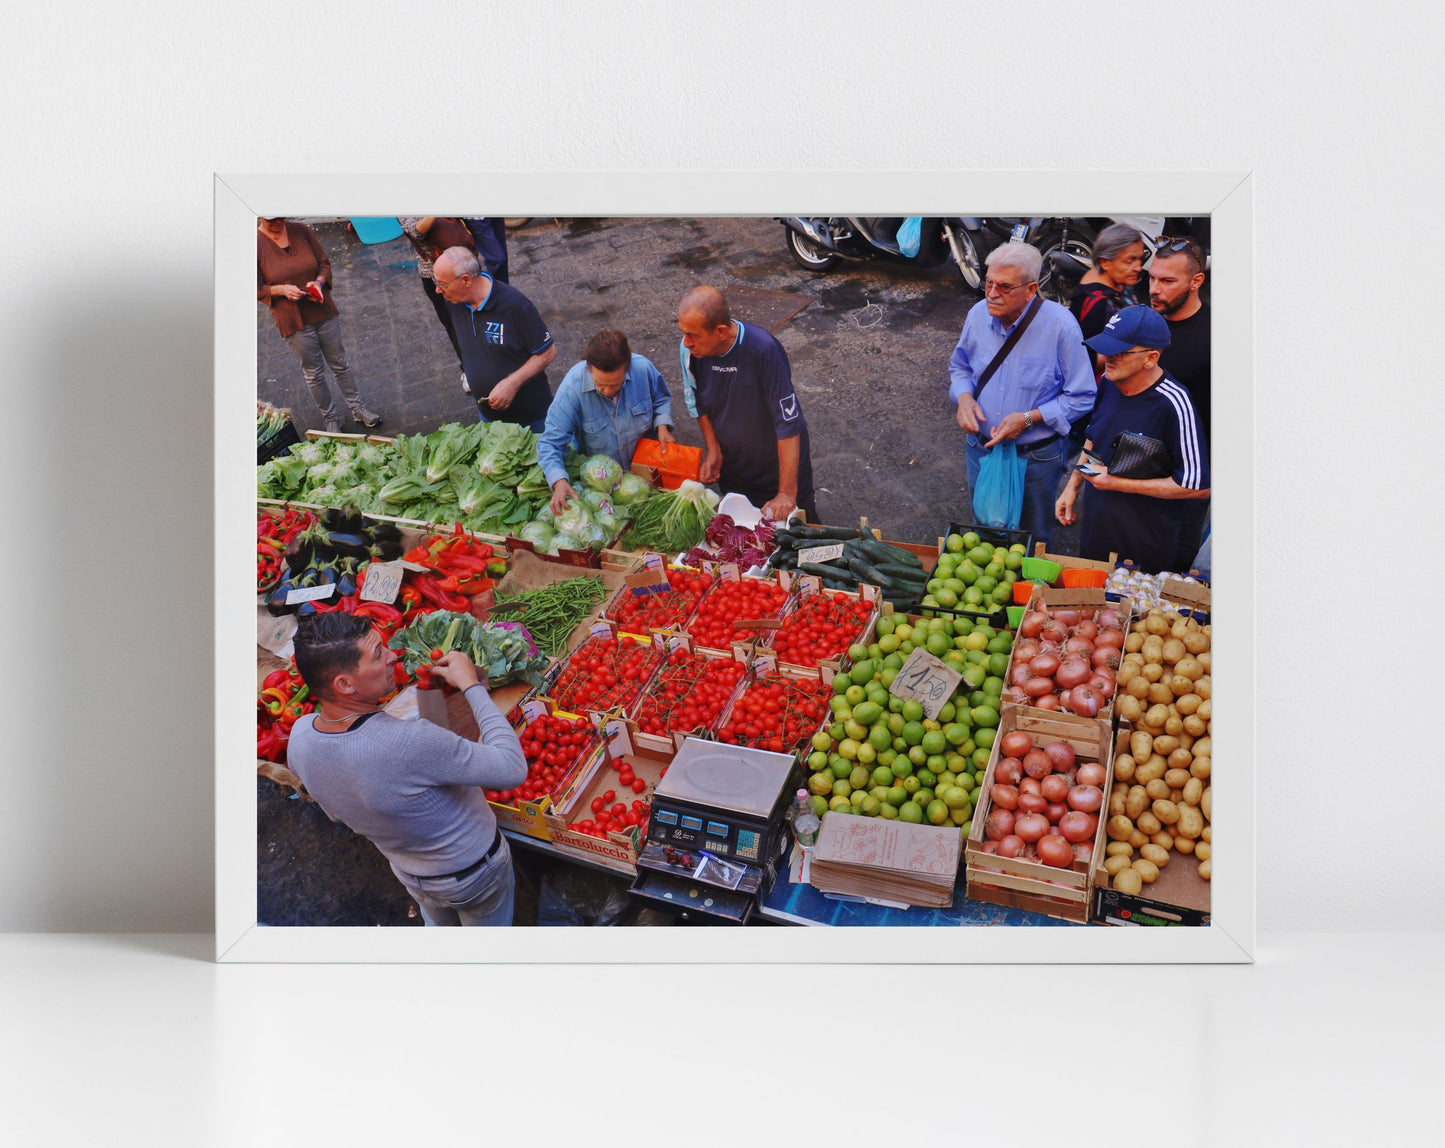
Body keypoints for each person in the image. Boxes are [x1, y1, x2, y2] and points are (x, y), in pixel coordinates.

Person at [285, 613, 528, 927]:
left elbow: (336, 812)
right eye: (378, 654)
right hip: (472, 874)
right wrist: (471, 685)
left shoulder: (300, 737)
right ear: (344, 684)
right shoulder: (409, 742)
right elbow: (511, 768)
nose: (392, 656)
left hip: (411, 875)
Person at [948, 243, 1094, 549]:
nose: (991, 294)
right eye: (988, 283)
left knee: (1032, 539)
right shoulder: (977, 315)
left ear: (1030, 290)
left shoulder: (1060, 327)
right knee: (983, 535)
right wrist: (964, 399)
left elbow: (1082, 396)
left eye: (1004, 287)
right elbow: (960, 367)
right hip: (981, 448)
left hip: (1036, 457)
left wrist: (1029, 418)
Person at [1054, 306, 1210, 574]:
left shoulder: (1174, 404)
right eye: (1106, 348)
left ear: (1150, 358)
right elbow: (1094, 437)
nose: (1107, 358)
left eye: (1120, 352)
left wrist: (1115, 483)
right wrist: (1073, 487)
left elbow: (1197, 486)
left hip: (1144, 548)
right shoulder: (1108, 383)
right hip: (1095, 532)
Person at [677, 285, 818, 523]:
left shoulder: (763, 350)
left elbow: (788, 422)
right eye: (683, 333)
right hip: (735, 473)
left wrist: (786, 492)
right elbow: (697, 403)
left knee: (801, 534)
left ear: (721, 332)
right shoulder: (689, 352)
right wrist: (714, 449)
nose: (686, 342)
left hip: (777, 473)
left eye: (693, 335)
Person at [257, 217, 383, 434]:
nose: (277, 222)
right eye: (271, 220)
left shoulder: (300, 230)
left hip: (322, 309)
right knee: (314, 372)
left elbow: (324, 263)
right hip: (293, 319)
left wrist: (319, 282)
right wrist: (282, 290)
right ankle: (330, 418)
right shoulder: (254, 245)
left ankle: (358, 408)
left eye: (280, 217)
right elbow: (255, 288)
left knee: (340, 363)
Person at [537, 329, 676, 513]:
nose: (608, 391)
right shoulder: (573, 387)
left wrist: (662, 426)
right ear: (589, 368)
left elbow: (661, 398)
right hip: (602, 490)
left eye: (615, 385)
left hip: (648, 474)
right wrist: (559, 480)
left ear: (627, 368)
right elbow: (549, 443)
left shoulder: (643, 369)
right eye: (600, 384)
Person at [433, 245, 556, 432]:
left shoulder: (514, 305)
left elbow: (547, 353)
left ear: (466, 280)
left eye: (442, 284)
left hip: (532, 419)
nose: (437, 290)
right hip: (489, 418)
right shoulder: (453, 303)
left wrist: (511, 383)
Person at [1148, 235, 1212, 572]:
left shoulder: (1218, 334)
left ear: (1196, 281)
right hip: (1130, 474)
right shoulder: (1144, 324)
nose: (1155, 289)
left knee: (1169, 577)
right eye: (1152, 278)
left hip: (1185, 482)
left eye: (1167, 281)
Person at [1066, 223, 1148, 457]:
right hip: (1095, 403)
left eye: (1139, 259)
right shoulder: (1096, 303)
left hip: (1114, 398)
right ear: (1105, 262)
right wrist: (1132, 348)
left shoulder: (1118, 283)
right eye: (1129, 260)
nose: (1137, 267)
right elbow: (1083, 361)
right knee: (1084, 452)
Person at [399, 216, 481, 388]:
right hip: (437, 274)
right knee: (455, 324)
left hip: (465, 264)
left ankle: (492, 360)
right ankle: (469, 369)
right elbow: (416, 232)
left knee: (480, 314)